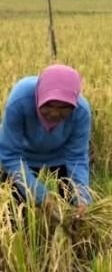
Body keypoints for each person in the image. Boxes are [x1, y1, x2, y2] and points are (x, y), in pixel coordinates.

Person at [0, 64, 92, 223]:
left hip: (60, 157)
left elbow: (76, 158)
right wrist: (42, 197)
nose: (55, 113)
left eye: (64, 108)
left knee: (75, 214)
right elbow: (10, 155)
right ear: (39, 96)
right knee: (13, 213)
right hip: (22, 156)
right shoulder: (19, 100)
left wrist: (82, 198)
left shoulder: (81, 111)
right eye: (48, 105)